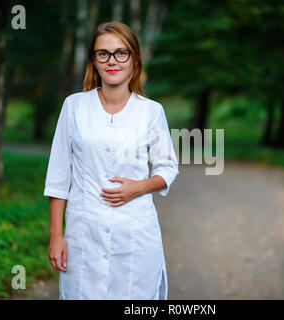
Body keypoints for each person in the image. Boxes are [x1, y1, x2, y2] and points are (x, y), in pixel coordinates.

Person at [43, 21, 179, 299]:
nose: (112, 61)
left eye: (121, 53)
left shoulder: (151, 112)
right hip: (84, 234)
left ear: (134, 59)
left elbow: (167, 167)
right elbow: (58, 177)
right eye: (103, 53)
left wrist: (138, 187)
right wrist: (57, 235)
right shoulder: (74, 107)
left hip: (135, 235)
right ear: (94, 61)